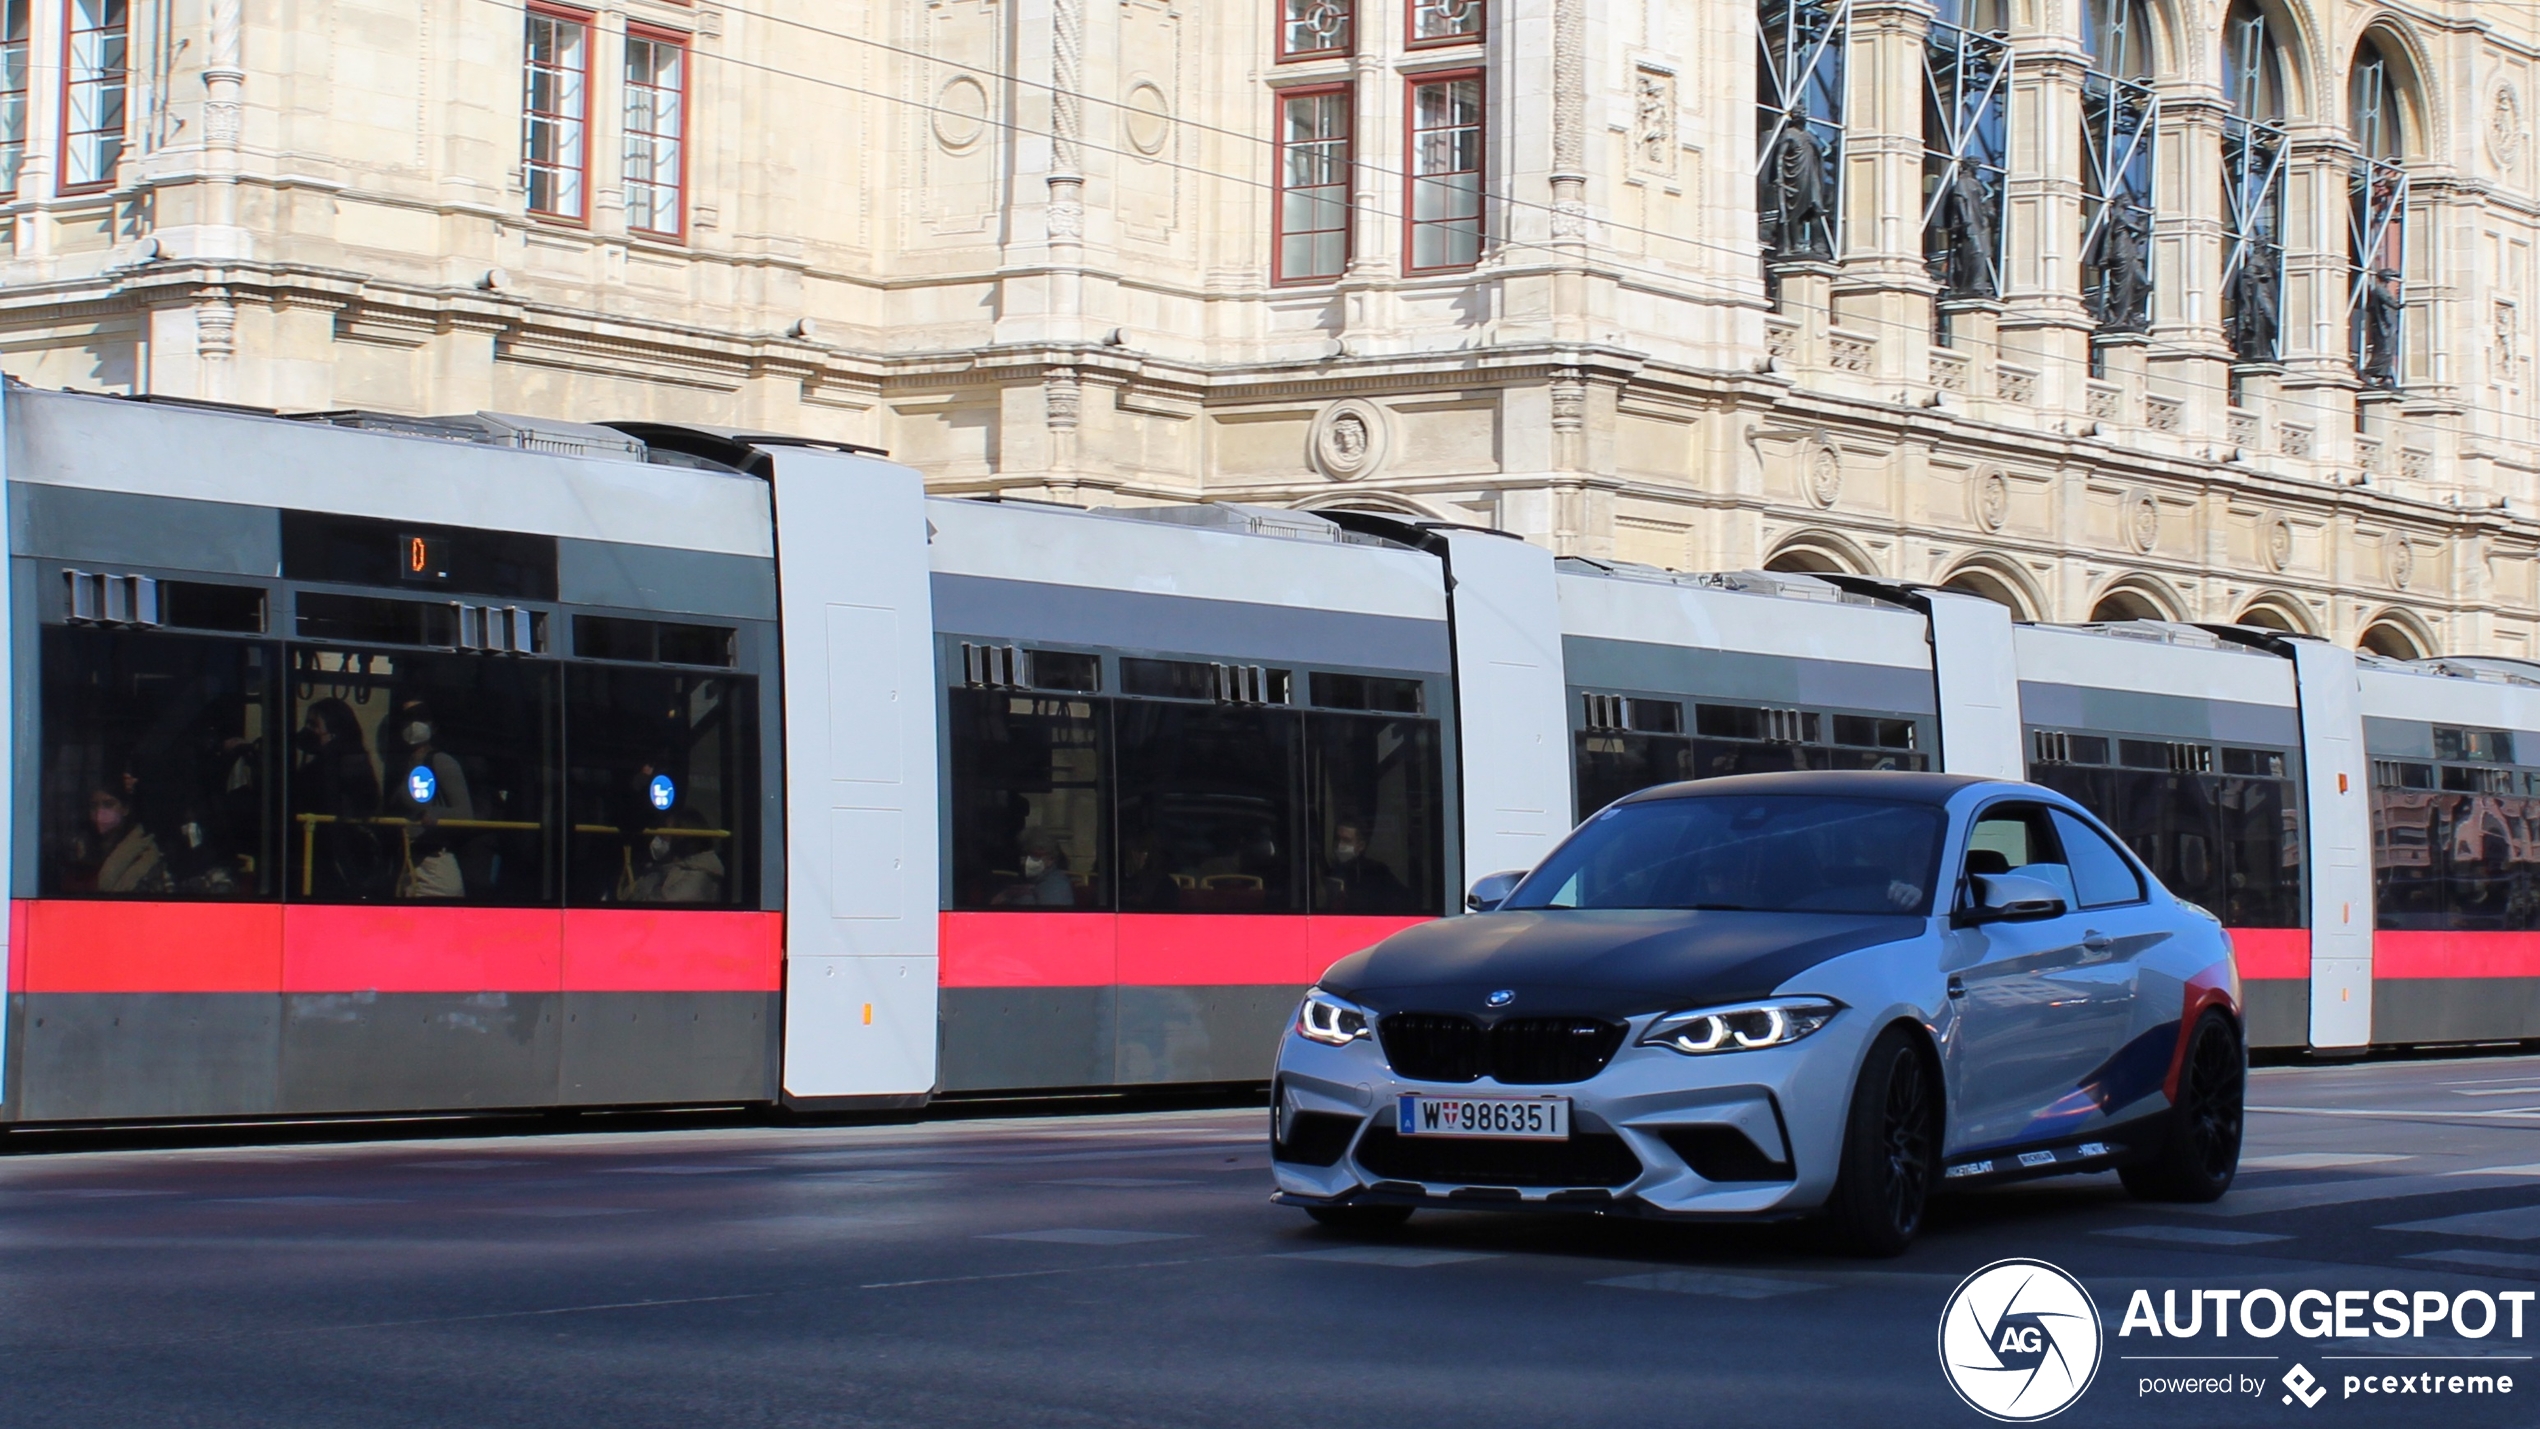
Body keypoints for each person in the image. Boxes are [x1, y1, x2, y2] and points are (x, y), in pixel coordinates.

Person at [294, 697, 383, 898]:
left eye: (314, 725)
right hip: (319, 858)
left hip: (338, 863)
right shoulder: (317, 766)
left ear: (334, 732)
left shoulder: (348, 764)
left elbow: (364, 803)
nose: (308, 731)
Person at [387, 698, 473, 899]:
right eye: (407, 718)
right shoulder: (403, 764)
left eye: (420, 717)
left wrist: (433, 815)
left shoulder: (442, 762)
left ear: (434, 725)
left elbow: (465, 813)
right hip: (406, 865)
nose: (412, 724)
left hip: (434, 866)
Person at [86, 784, 170, 895]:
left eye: (109, 804)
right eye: (94, 806)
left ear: (125, 809)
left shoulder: (146, 853)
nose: (100, 812)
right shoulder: (81, 851)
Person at [627, 810, 725, 904]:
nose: (659, 835)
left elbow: (666, 904)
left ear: (682, 837)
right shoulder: (660, 870)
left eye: (665, 829)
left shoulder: (699, 875)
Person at [1320, 821, 1411, 913]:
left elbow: (1402, 899)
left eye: (1346, 840)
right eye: (1337, 839)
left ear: (1360, 846)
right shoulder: (1329, 871)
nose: (1339, 845)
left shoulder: (1377, 871)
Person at [992, 830, 1076, 906]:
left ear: (1051, 859)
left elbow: (1052, 919)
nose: (1026, 861)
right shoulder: (1022, 880)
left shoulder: (1057, 885)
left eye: (1034, 856)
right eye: (1024, 855)